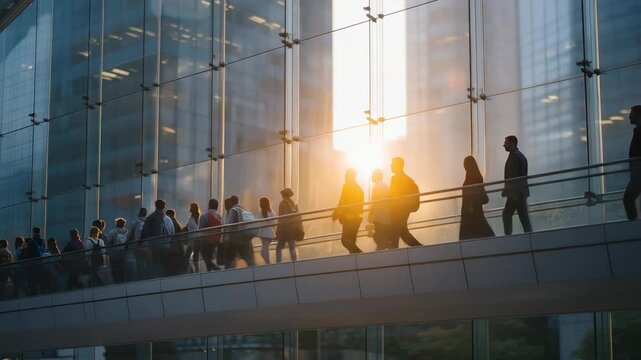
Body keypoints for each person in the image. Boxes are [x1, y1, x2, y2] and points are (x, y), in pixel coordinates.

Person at [501, 135, 532, 235]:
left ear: (512, 143)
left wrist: (507, 191)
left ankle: (509, 238)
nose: (504, 145)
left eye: (506, 143)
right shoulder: (521, 156)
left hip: (515, 194)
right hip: (521, 192)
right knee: (523, 217)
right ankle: (530, 236)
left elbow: (512, 176)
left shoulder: (514, 156)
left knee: (506, 215)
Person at [389, 157, 422, 248]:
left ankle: (420, 248)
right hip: (401, 210)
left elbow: (394, 196)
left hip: (399, 211)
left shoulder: (399, 179)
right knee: (402, 232)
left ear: (398, 166)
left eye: (392, 164)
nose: (391, 166)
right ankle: (420, 248)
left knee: (396, 232)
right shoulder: (405, 179)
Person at [459, 156, 495, 240]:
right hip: (476, 210)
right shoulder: (477, 176)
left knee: (469, 234)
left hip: (470, 211)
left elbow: (470, 195)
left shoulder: (470, 178)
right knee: (482, 231)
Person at [332, 169, 365, 254]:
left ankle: (361, 256)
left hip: (349, 219)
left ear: (350, 176)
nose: (345, 177)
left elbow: (342, 202)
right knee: (350, 241)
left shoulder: (347, 187)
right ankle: (358, 259)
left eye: (346, 175)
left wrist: (336, 213)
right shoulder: (359, 189)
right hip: (357, 219)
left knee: (345, 241)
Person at [141, 200, 175, 276]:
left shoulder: (151, 218)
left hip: (155, 247)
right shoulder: (168, 219)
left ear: (155, 205)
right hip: (167, 247)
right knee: (165, 267)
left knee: (156, 268)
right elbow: (173, 234)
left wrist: (140, 244)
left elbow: (145, 233)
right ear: (164, 207)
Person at [224, 196, 256, 268]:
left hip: (236, 239)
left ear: (231, 202)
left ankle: (229, 270)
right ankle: (253, 269)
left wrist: (227, 237)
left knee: (230, 257)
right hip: (245, 238)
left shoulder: (233, 210)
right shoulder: (243, 209)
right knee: (247, 257)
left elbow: (230, 225)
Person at [624, 105, 641, 220]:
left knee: (628, 198)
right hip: (637, 171)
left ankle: (634, 224)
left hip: (639, 171)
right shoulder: (638, 131)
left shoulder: (639, 132)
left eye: (631, 113)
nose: (629, 116)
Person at [276, 189, 302, 263]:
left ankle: (278, 263)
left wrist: (278, 230)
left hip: (284, 228)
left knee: (279, 247)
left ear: (283, 195)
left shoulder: (282, 203)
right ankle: (294, 262)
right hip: (292, 228)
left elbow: (281, 218)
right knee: (292, 246)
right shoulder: (293, 203)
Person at [369, 169, 392, 250]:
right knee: (382, 235)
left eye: (373, 175)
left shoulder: (376, 186)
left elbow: (374, 201)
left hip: (378, 216)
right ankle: (386, 246)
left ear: (376, 176)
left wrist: (370, 214)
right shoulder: (386, 186)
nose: (371, 177)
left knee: (379, 236)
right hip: (386, 215)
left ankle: (381, 250)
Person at [198, 199, 223, 271]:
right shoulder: (219, 217)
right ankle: (212, 271)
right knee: (208, 259)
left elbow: (200, 230)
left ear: (209, 205)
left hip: (206, 241)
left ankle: (217, 269)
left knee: (206, 258)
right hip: (216, 241)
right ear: (217, 207)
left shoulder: (204, 216)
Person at [127, 208, 149, 279]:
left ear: (139, 213)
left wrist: (126, 245)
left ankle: (139, 277)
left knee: (138, 262)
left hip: (137, 246)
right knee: (145, 262)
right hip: (146, 246)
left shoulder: (134, 222)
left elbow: (129, 235)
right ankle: (145, 276)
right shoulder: (148, 222)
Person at [107, 218, 128, 283]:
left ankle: (116, 282)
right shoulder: (127, 232)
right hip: (123, 255)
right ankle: (122, 282)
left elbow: (108, 243)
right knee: (122, 270)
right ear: (124, 224)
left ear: (116, 223)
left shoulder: (112, 232)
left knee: (114, 270)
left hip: (114, 255)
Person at [165, 209, 186, 275]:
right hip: (179, 247)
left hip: (175, 248)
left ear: (169, 215)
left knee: (175, 265)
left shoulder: (171, 222)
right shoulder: (176, 222)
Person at [258, 197, 276, 264]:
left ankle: (269, 264)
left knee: (264, 252)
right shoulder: (272, 211)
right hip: (270, 234)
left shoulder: (262, 212)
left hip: (264, 234)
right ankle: (268, 263)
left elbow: (258, 223)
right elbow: (274, 223)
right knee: (264, 251)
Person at [185, 203, 202, 272]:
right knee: (195, 257)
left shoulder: (194, 219)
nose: (190, 209)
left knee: (188, 257)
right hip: (196, 239)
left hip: (193, 239)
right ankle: (195, 272)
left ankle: (193, 272)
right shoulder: (194, 218)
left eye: (191, 207)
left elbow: (188, 227)